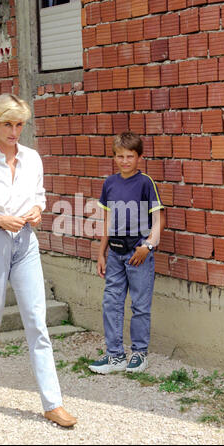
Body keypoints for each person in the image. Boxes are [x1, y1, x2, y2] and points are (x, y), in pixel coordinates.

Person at [0, 93, 76, 427]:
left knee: (37, 323)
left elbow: (38, 196)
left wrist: (38, 210)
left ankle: (52, 403)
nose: (14, 130)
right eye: (8, 123)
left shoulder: (33, 159)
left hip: (25, 243)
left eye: (19, 124)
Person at [89, 132, 165, 375]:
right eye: (120, 156)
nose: (124, 161)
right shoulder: (109, 183)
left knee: (140, 305)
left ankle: (139, 354)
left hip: (138, 253)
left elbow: (159, 219)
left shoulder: (145, 183)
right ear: (114, 157)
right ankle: (115, 355)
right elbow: (108, 221)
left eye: (130, 156)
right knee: (111, 302)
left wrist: (148, 246)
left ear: (139, 157)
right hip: (115, 253)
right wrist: (101, 253)